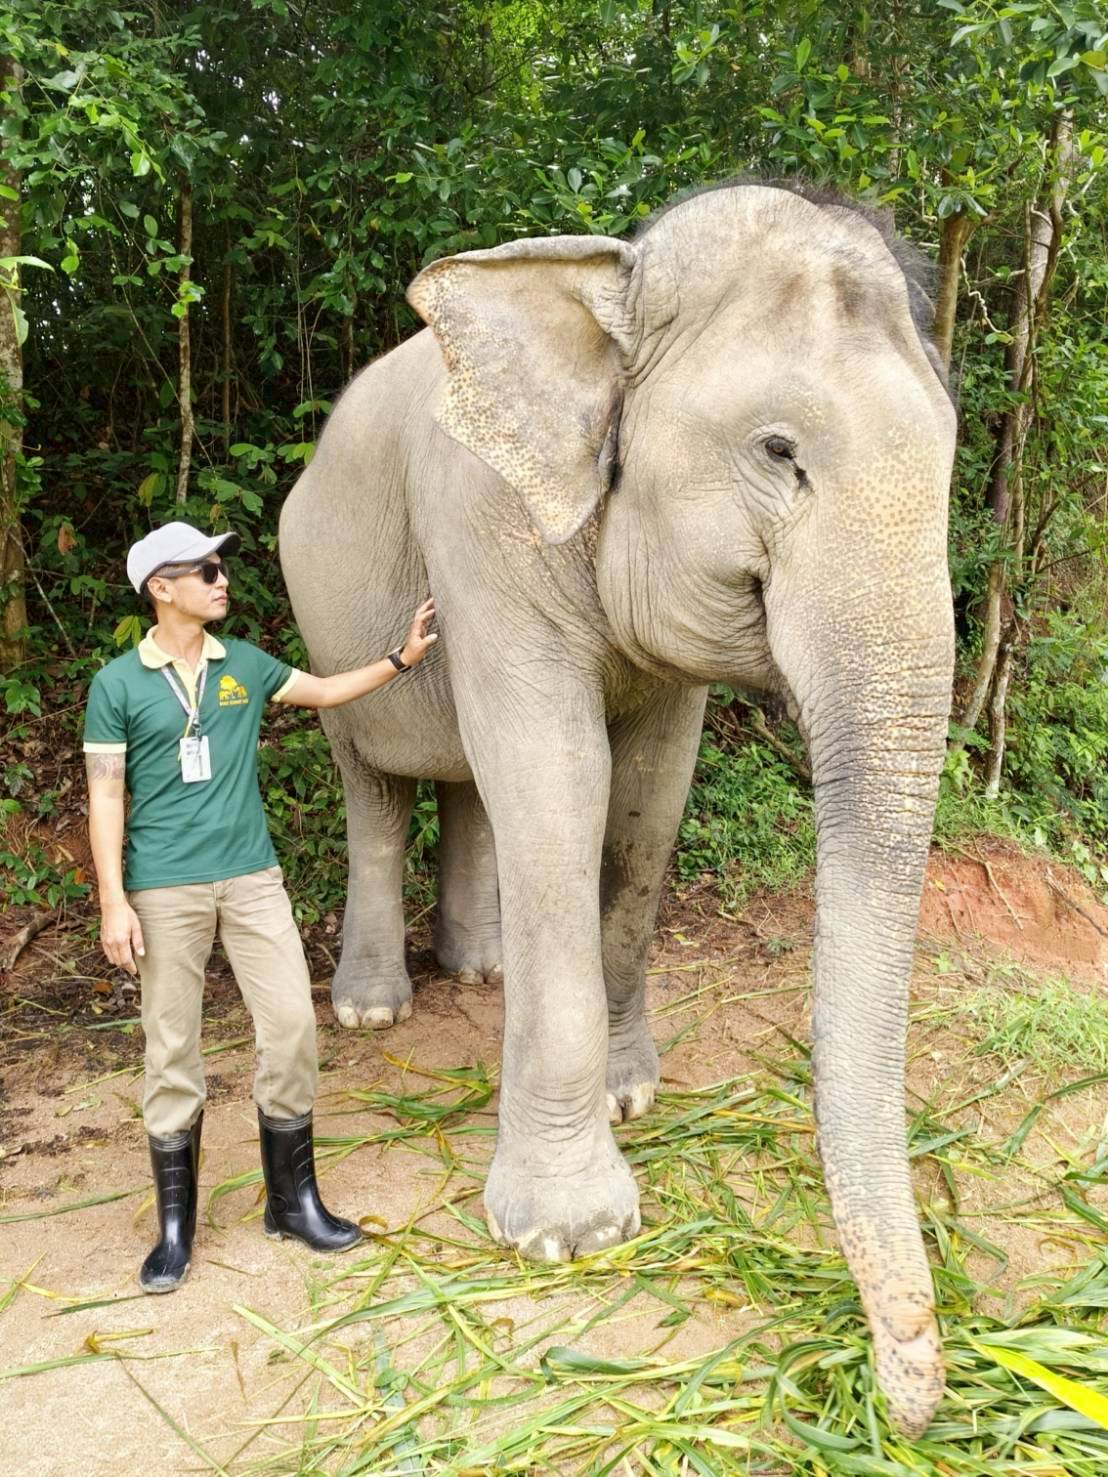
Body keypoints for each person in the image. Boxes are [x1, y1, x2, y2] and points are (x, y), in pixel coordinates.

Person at [83, 521, 437, 1293]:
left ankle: (292, 1201)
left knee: (292, 1024)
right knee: (171, 1045)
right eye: (204, 569)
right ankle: (175, 1230)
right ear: (160, 588)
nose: (221, 578)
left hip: (251, 878)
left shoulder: (242, 663)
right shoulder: (117, 683)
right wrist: (115, 900)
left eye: (222, 566)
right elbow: (105, 797)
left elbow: (325, 690)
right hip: (164, 887)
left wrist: (401, 658)